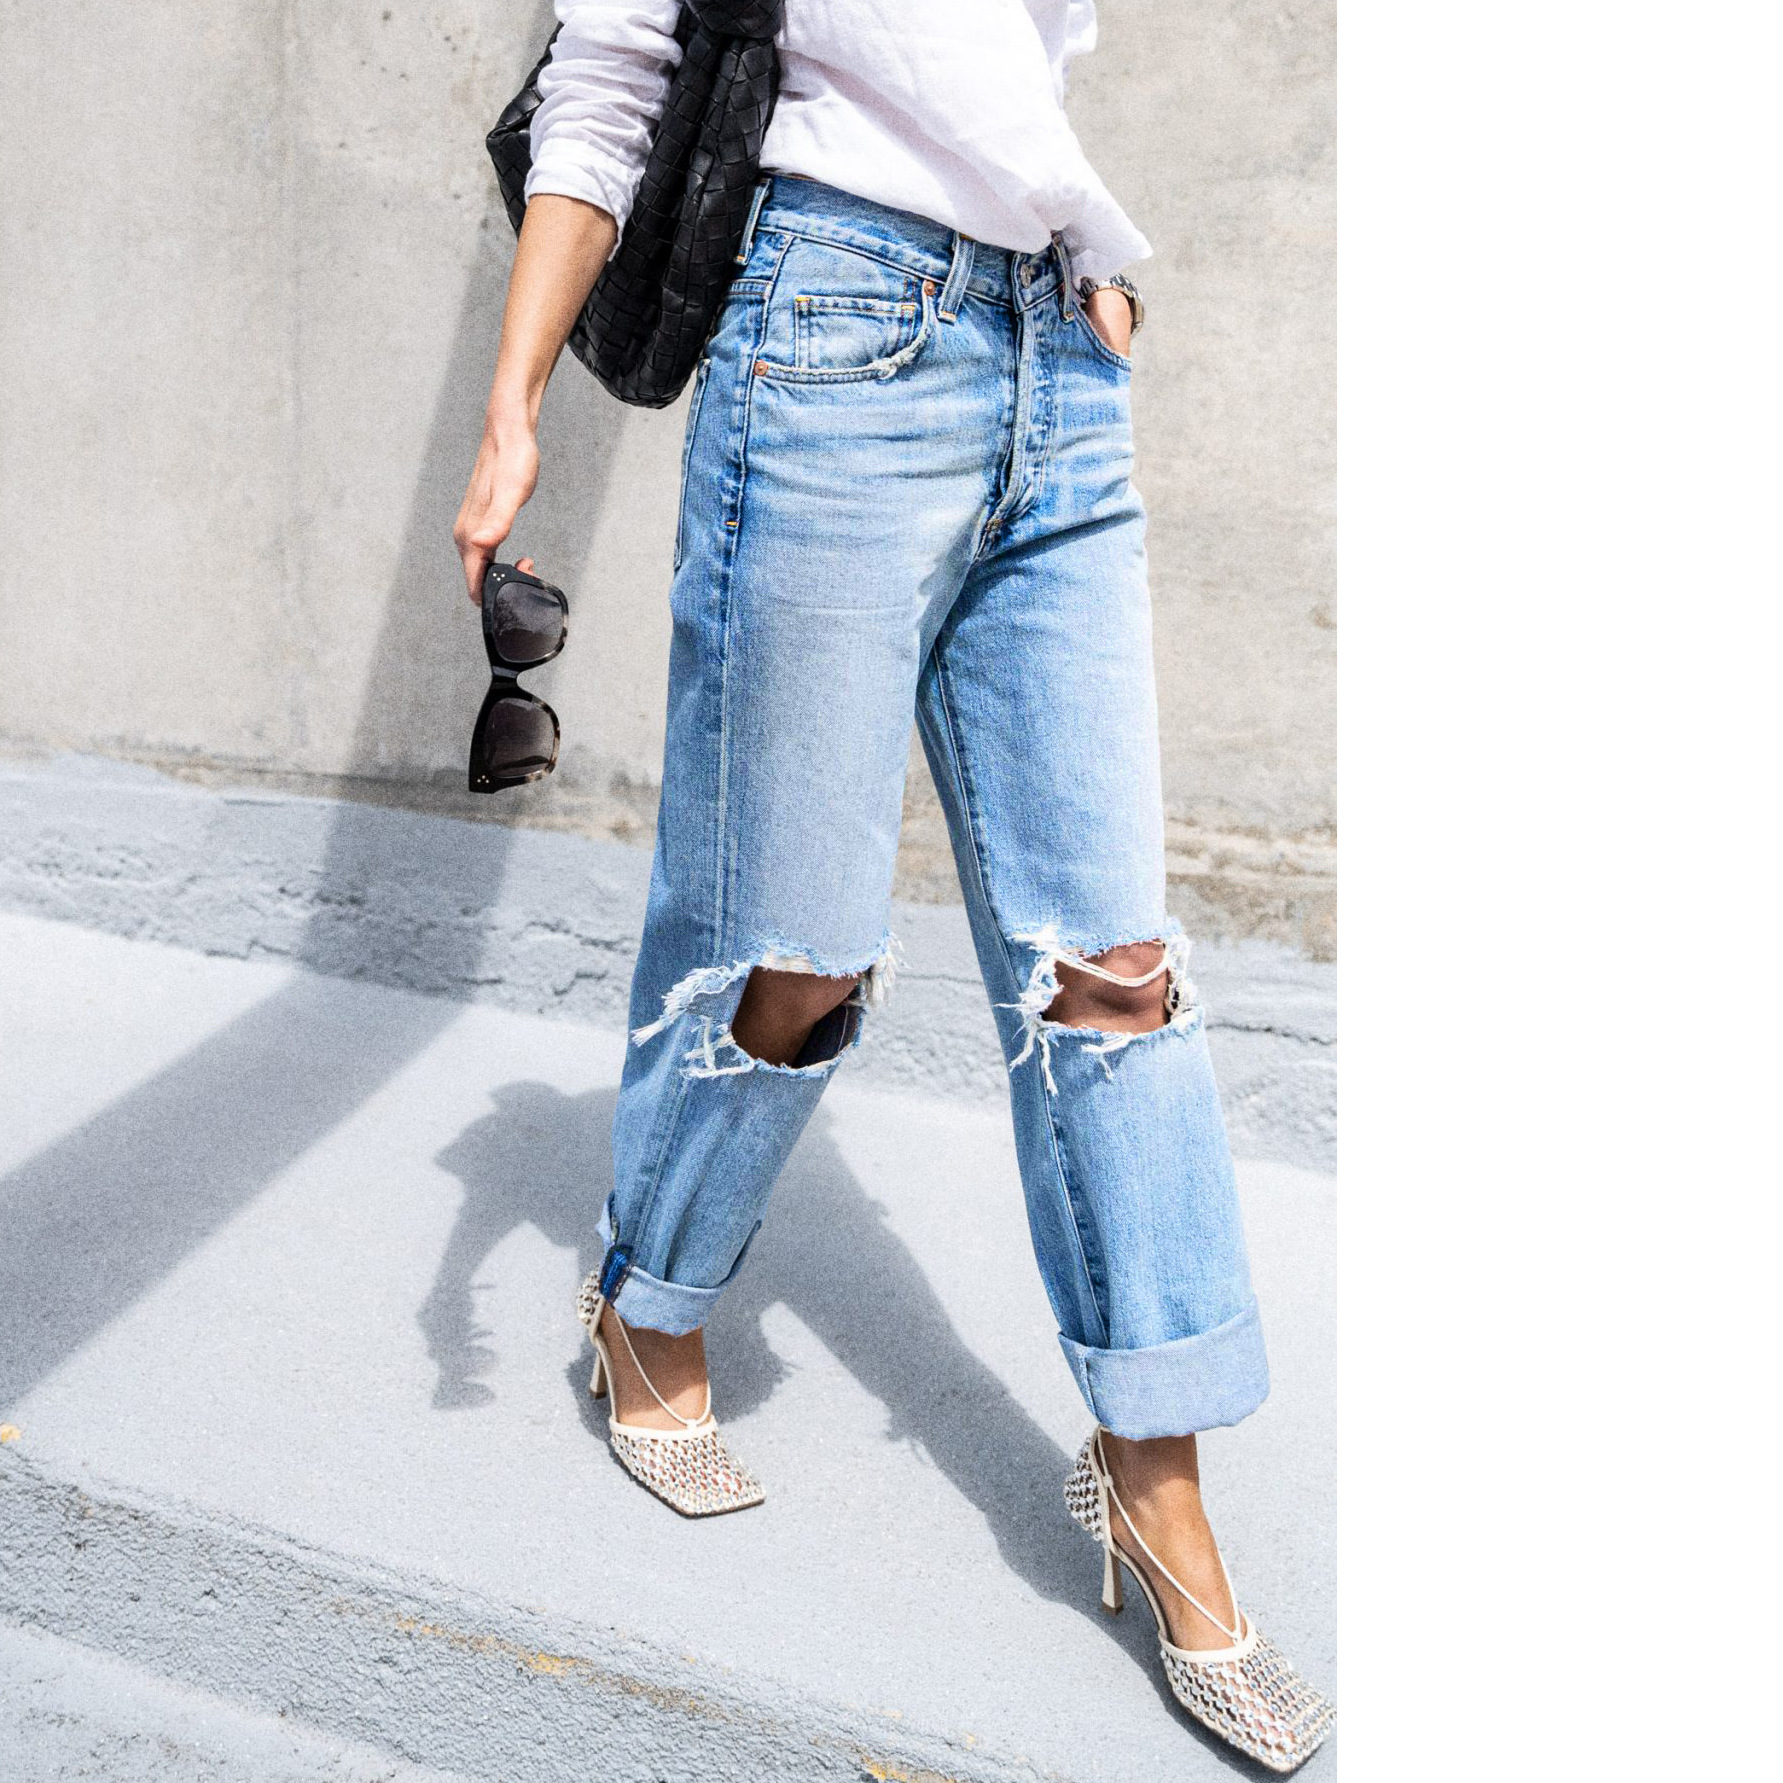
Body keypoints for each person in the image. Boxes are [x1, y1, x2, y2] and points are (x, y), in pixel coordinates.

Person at [452, 3, 1332, 1769]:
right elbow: (609, 88)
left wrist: (1092, 267)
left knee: (1116, 968)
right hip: (832, 347)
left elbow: (1013, 80)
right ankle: (650, 1296)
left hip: (1056, 358)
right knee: (800, 961)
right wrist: (511, 408)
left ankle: (1156, 1481)